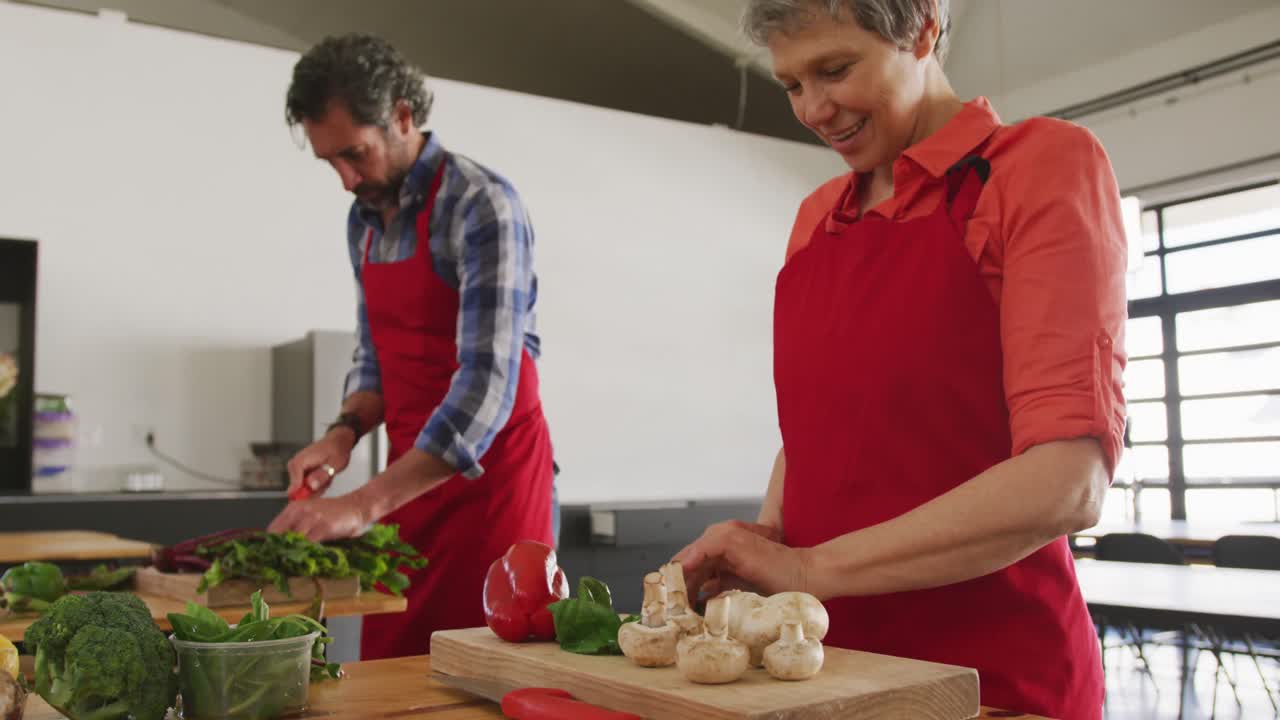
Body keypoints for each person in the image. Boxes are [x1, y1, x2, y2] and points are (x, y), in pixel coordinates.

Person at [673, 2, 1126, 717]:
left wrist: (808, 569)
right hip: (821, 672)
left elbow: (1067, 482)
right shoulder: (816, 219)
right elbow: (817, 434)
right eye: (791, 84)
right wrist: (764, 548)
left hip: (990, 681)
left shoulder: (1038, 168)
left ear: (922, 31)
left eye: (835, 70)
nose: (813, 109)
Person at [267, 34, 558, 659]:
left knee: (490, 672)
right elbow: (375, 357)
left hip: (494, 491)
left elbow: (485, 387)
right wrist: (342, 434)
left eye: (355, 155)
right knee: (393, 670)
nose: (346, 181)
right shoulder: (365, 220)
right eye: (330, 162)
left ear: (402, 116)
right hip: (408, 489)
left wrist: (362, 505)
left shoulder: (482, 205)